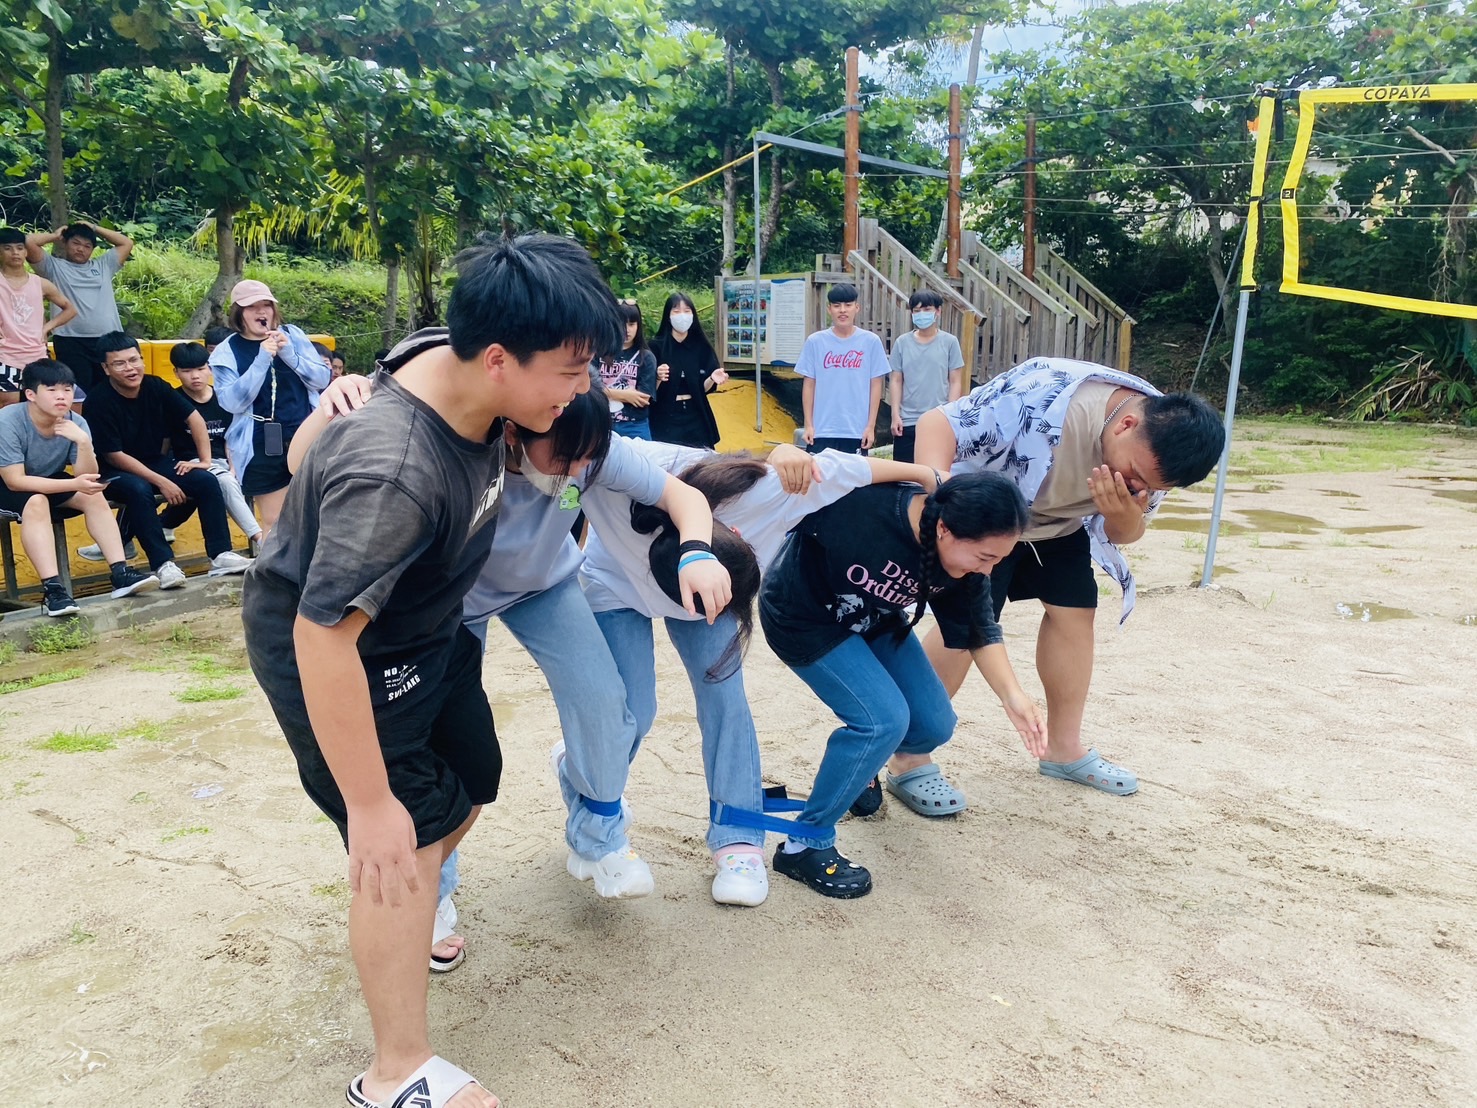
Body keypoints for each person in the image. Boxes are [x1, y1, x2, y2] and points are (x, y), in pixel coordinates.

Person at [242, 233, 628, 1108]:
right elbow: (320, 639)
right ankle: (395, 1072)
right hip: (348, 656)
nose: (580, 392)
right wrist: (370, 804)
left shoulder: (447, 358)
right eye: (570, 373)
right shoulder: (395, 472)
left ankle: (405, 900)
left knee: (471, 783)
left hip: (427, 631)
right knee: (401, 837)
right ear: (497, 360)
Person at [913, 357, 1226, 796]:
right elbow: (937, 423)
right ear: (1126, 425)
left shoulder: (1160, 451)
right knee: (962, 628)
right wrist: (941, 500)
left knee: (1076, 613)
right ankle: (909, 754)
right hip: (989, 513)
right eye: (1135, 476)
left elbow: (1124, 534)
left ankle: (1062, 749)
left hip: (1059, 526)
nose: (1137, 486)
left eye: (1150, 488)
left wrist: (1125, 514)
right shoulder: (1047, 394)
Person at [759, 472, 1046, 898]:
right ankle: (804, 843)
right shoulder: (862, 510)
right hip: (804, 619)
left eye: (997, 560)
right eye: (985, 557)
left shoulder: (964, 565)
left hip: (874, 620)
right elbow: (792, 487)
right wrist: (783, 459)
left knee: (933, 724)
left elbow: (979, 629)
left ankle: (861, 770)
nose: (987, 570)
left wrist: (1013, 697)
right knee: (882, 722)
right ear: (944, 528)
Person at [82, 332, 252, 588]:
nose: (130, 368)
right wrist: (162, 482)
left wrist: (205, 460)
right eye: (119, 363)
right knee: (138, 489)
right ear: (106, 368)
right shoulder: (98, 401)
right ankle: (163, 564)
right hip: (113, 470)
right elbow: (113, 455)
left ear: (142, 360)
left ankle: (220, 555)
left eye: (134, 360)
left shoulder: (155, 386)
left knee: (206, 481)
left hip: (154, 461)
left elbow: (194, 418)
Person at [0, 358, 157, 615]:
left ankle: (121, 573)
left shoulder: (76, 423)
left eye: (67, 389)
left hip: (48, 478)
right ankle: (54, 590)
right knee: (37, 502)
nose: (62, 396)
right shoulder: (8, 421)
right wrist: (74, 482)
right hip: (8, 485)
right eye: (52, 390)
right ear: (30, 394)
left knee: (92, 495)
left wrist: (83, 442)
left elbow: (88, 476)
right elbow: (14, 480)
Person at [208, 280, 330, 537]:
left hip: (304, 432)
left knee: (317, 512)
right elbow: (231, 402)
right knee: (275, 520)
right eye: (252, 307)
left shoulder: (292, 335)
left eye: (267, 305)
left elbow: (321, 379)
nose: (261, 311)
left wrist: (290, 355)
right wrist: (262, 359)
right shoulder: (226, 351)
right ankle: (273, 564)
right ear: (238, 313)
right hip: (259, 440)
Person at [168, 341, 264, 553]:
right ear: (176, 373)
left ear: (210, 368)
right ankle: (261, 538)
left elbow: (232, 437)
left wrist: (234, 466)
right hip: (189, 464)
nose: (195, 376)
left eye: (200, 369)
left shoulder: (224, 398)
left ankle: (164, 524)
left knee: (227, 478)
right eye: (187, 371)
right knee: (223, 481)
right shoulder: (172, 401)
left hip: (223, 462)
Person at [23, 221, 132, 396]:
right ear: (65, 243)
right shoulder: (53, 267)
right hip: (70, 341)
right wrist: (55, 235)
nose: (81, 249)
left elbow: (126, 243)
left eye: (87, 246)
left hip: (107, 339)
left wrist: (94, 227)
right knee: (78, 392)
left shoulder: (104, 265)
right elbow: (28, 242)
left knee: (112, 389)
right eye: (76, 243)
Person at [796, 282, 889, 456]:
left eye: (848, 305)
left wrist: (870, 427)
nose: (842, 310)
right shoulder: (815, 341)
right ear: (829, 309)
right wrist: (808, 424)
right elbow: (809, 385)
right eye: (837, 306)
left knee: (855, 474)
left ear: (857, 308)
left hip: (856, 431)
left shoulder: (871, 341)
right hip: (822, 430)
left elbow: (876, 386)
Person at [1, 228, 76, 408]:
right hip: (4, 354)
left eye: (20, 248)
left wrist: (47, 328)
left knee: (41, 403)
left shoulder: (40, 283)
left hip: (37, 353)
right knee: (8, 403)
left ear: (26, 252)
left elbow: (70, 309)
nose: (15, 252)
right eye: (8, 248)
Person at [888, 289, 964, 463]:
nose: (922, 314)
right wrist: (895, 415)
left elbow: (955, 381)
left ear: (938, 311)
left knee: (935, 472)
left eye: (927, 309)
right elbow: (896, 380)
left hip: (938, 419)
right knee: (904, 473)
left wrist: (950, 416)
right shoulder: (902, 342)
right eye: (917, 310)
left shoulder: (950, 342)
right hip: (907, 421)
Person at [648, 292, 726, 448]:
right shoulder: (655, 346)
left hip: (695, 414)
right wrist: (657, 377)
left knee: (702, 458)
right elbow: (648, 391)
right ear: (668, 316)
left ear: (693, 315)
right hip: (666, 416)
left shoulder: (701, 347)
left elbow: (703, 389)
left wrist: (712, 378)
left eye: (687, 311)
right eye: (676, 311)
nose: (682, 316)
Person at [592, 299, 658, 440]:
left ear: (638, 326)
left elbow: (643, 398)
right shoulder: (598, 353)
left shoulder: (646, 357)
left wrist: (606, 393)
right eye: (622, 324)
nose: (627, 330)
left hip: (635, 426)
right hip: (600, 423)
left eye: (632, 324)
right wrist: (625, 395)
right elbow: (589, 389)